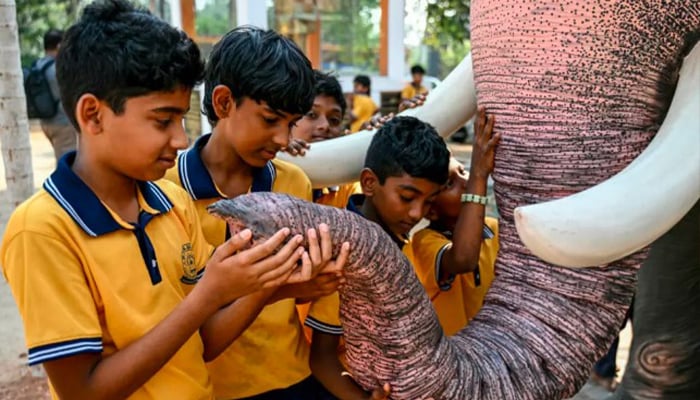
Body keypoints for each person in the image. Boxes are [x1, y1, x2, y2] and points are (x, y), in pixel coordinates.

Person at [1, 1, 318, 399]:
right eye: (162, 120)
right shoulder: (42, 231)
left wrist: (257, 284)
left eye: (181, 119)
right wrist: (209, 295)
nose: (181, 139)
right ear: (93, 115)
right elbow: (82, 391)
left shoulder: (171, 203)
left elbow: (203, 342)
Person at [162, 27, 348, 400]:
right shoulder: (166, 191)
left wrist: (310, 282)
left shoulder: (293, 183)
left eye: (291, 123)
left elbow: (294, 292)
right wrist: (272, 286)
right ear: (224, 102)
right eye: (270, 119)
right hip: (209, 386)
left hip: (290, 376)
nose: (283, 139)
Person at [307, 116, 451, 399]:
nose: (416, 213)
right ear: (369, 183)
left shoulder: (399, 240)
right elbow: (321, 359)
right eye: (407, 197)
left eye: (429, 201)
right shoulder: (347, 253)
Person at [406, 107, 501, 336]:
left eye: (463, 170)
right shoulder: (424, 242)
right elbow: (462, 259)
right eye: (450, 183)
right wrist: (479, 175)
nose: (466, 179)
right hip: (451, 362)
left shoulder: (495, 229)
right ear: (431, 210)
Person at [36, 28, 78, 161]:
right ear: (59, 46)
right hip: (63, 123)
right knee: (67, 163)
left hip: (45, 122)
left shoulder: (38, 65)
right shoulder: (59, 67)